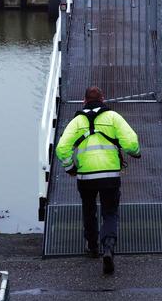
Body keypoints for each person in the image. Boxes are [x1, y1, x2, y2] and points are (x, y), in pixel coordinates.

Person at [55, 86, 140, 275]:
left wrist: (70, 168)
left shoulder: (77, 122)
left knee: (89, 209)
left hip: (86, 177)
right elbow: (131, 142)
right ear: (103, 99)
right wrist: (135, 153)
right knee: (110, 212)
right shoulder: (113, 117)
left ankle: (93, 247)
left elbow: (62, 149)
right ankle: (108, 248)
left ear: (83, 101)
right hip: (110, 175)